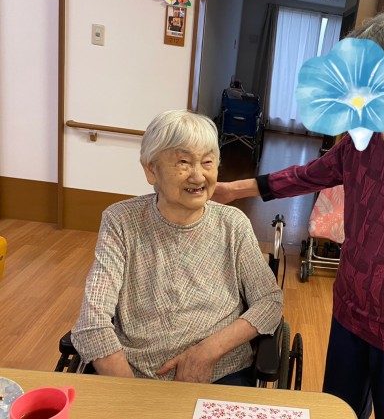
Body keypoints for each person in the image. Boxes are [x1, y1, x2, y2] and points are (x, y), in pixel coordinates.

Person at [213, 10, 384, 419]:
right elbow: (310, 175)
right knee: (340, 413)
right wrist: (233, 189)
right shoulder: (366, 139)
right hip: (352, 313)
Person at [71, 110, 283, 386]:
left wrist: (206, 353)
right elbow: (92, 321)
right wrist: (131, 396)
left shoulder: (233, 224)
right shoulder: (121, 221)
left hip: (221, 372)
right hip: (132, 375)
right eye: (183, 162)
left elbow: (269, 302)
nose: (198, 176)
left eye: (207, 162)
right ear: (151, 170)